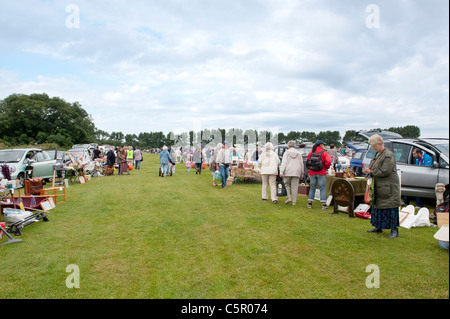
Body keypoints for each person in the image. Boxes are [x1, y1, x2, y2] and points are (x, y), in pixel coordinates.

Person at [362, 134, 402, 238]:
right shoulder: (378, 154)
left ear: (380, 144)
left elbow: (385, 171)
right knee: (378, 207)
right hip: (379, 186)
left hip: (389, 187)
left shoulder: (388, 155)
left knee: (390, 207)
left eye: (374, 146)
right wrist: (369, 171)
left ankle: (394, 230)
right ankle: (378, 226)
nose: (372, 148)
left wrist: (371, 172)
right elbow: (374, 167)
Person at [307, 140, 331, 210]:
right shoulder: (324, 152)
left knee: (312, 187)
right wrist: (326, 167)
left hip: (312, 172)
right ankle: (324, 205)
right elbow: (328, 162)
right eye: (323, 144)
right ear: (320, 145)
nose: (323, 145)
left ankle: (310, 203)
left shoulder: (311, 152)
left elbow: (308, 162)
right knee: (322, 188)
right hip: (321, 172)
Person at [280, 140, 304, 206]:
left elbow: (284, 163)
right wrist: (302, 173)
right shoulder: (299, 153)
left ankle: (288, 197)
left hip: (288, 171)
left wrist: (281, 171)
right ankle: (294, 202)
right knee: (295, 187)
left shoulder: (286, 153)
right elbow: (301, 164)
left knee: (286, 184)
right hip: (296, 171)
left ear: (288, 146)